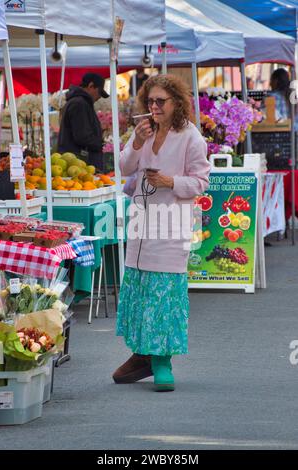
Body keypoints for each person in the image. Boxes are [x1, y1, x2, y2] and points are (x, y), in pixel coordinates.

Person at [112, 74, 211, 392]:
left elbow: (201, 182)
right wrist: (137, 143)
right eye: (150, 101)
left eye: (160, 101)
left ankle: (162, 360)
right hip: (141, 222)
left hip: (171, 223)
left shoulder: (190, 136)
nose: (153, 107)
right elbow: (125, 168)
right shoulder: (143, 130)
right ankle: (142, 354)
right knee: (141, 289)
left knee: (164, 293)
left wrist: (171, 182)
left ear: (176, 103)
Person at [58, 72, 109, 171]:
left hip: (77, 162)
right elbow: (82, 136)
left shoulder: (78, 102)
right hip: (81, 163)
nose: (99, 97)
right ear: (91, 86)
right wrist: (100, 144)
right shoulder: (80, 104)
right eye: (99, 92)